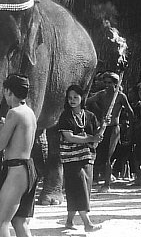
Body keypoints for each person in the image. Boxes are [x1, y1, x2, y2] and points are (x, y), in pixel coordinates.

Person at [0, 74, 37, 237]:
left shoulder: (13, 113)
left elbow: (1, 145)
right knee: (18, 221)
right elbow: (18, 141)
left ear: (8, 91)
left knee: (1, 222)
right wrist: (2, 128)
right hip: (28, 170)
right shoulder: (29, 113)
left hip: (16, 171)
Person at [58, 85, 103, 232]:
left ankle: (69, 221)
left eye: (75, 97)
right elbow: (69, 137)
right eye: (70, 98)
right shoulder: (65, 116)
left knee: (81, 189)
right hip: (71, 159)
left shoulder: (90, 116)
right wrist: (90, 138)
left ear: (82, 98)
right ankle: (87, 224)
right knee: (79, 188)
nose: (72, 101)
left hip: (88, 157)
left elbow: (95, 141)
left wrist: (99, 134)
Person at [86, 71, 134, 192]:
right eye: (105, 82)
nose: (107, 85)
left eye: (110, 83)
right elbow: (86, 102)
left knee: (108, 156)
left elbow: (131, 112)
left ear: (116, 84)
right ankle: (92, 180)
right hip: (103, 128)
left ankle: (107, 185)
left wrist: (129, 128)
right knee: (96, 154)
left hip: (114, 129)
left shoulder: (121, 96)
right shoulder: (101, 95)